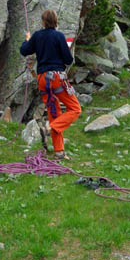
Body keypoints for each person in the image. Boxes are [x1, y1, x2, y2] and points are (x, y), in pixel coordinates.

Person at [20, 9, 81, 160]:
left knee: (54, 113)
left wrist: (28, 40)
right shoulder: (59, 36)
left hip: (42, 79)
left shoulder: (37, 36)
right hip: (57, 78)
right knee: (75, 109)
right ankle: (50, 128)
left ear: (43, 21)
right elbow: (68, 60)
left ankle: (59, 151)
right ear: (56, 21)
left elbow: (24, 50)